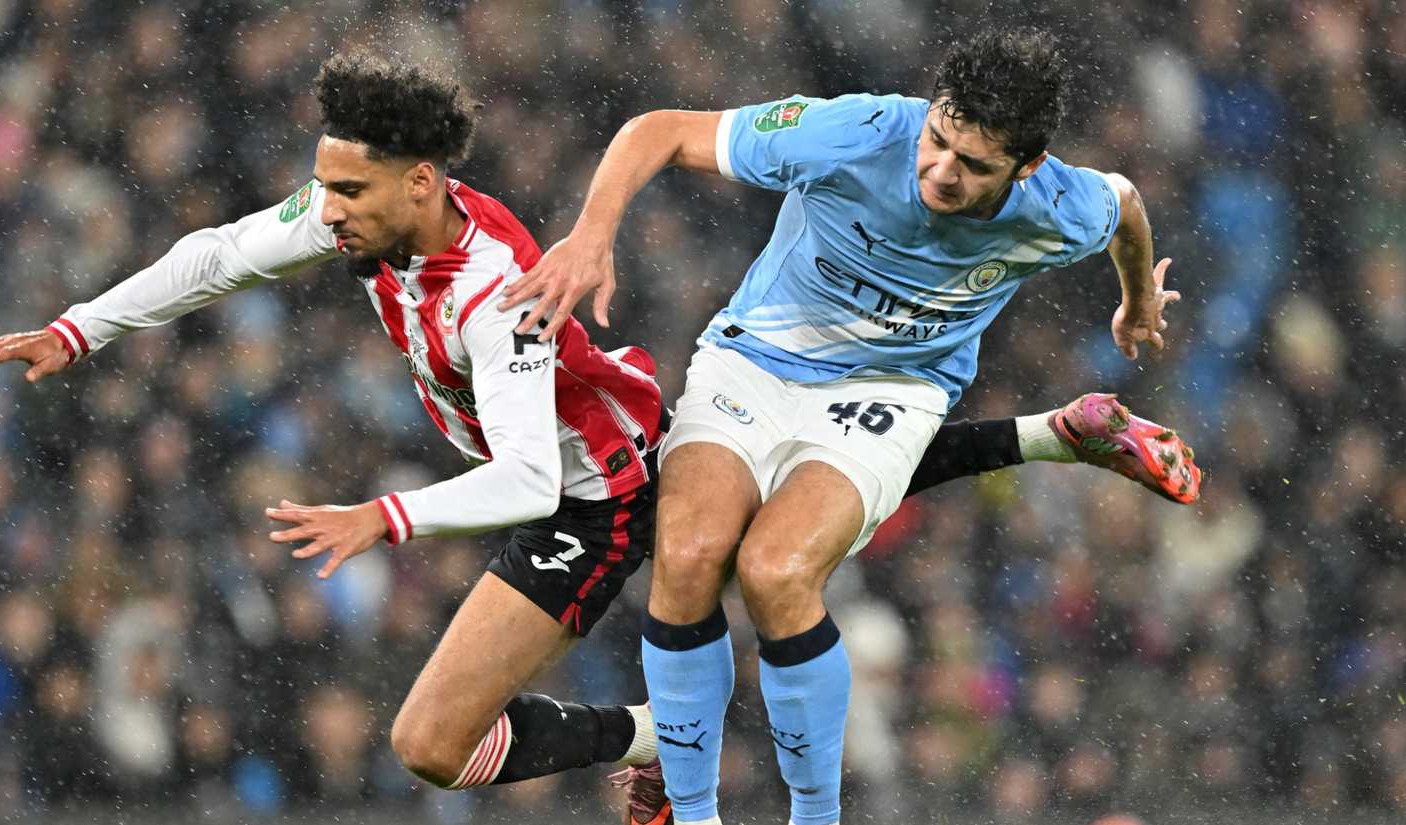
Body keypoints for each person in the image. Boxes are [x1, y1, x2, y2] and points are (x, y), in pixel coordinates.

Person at [0, 48, 1198, 815]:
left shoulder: (498, 300)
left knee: (738, 569)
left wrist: (378, 520)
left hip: (589, 489)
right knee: (441, 748)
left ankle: (702, 767)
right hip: (654, 425)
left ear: (420, 187)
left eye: (343, 190)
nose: (321, 209)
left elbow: (522, 476)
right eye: (322, 186)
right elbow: (224, 253)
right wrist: (74, 332)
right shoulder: (361, 218)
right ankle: (662, 741)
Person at [501, 27, 1190, 825]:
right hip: (755, 358)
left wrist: (1137, 299)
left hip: (894, 390)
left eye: (973, 165)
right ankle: (691, 815)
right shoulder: (857, 132)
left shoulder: (1061, 204)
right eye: (938, 141)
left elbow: (1127, 206)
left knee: (776, 571)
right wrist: (593, 233)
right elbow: (661, 129)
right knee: (686, 554)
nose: (940, 169)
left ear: (1025, 166)